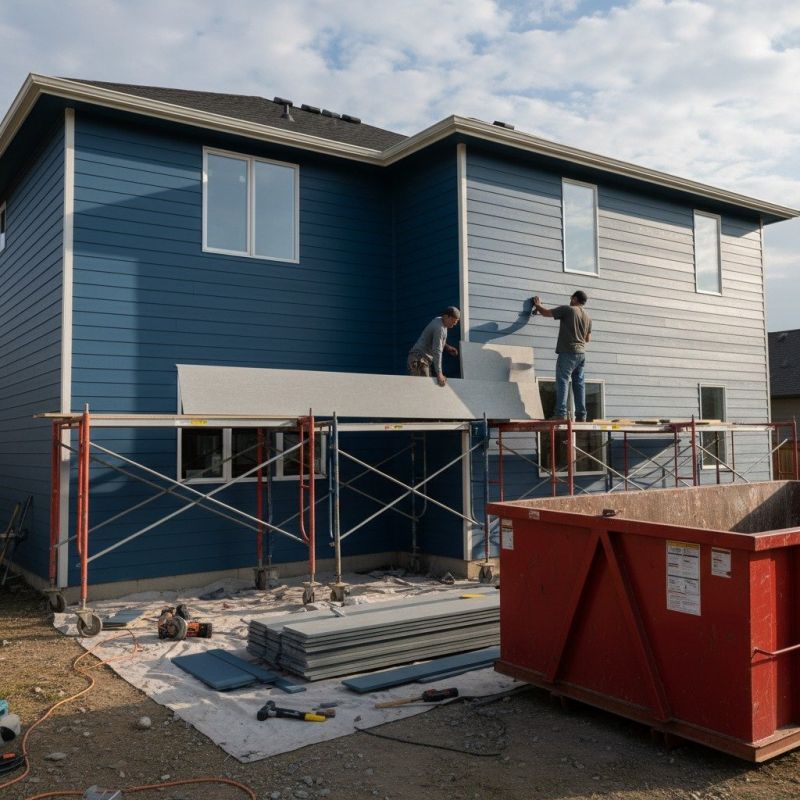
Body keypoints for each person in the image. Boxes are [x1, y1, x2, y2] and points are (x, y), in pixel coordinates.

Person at [532, 291, 592, 421]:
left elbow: (546, 313)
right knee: (579, 383)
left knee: (562, 381)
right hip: (581, 354)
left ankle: (560, 414)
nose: (570, 300)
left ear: (575, 299)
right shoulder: (588, 317)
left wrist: (537, 305)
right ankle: (581, 415)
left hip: (568, 352)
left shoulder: (568, 309)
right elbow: (588, 338)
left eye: (571, 298)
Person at [408, 307, 461, 386]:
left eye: (456, 322)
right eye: (453, 321)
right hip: (419, 360)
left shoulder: (440, 321)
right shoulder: (439, 328)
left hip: (421, 359)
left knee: (426, 388)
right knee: (423, 388)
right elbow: (437, 351)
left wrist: (447, 347)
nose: (454, 324)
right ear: (446, 316)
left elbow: (436, 340)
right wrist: (439, 374)